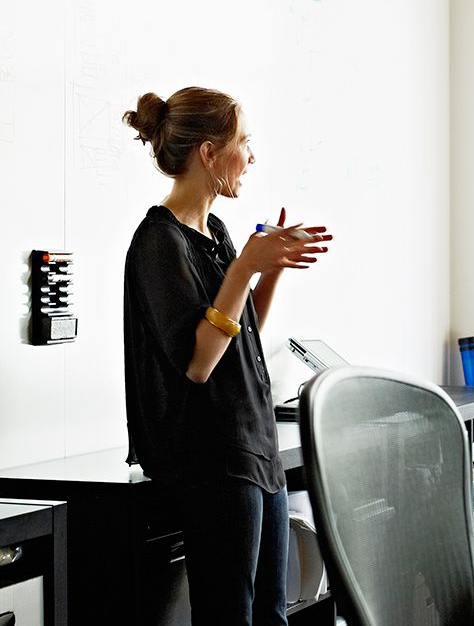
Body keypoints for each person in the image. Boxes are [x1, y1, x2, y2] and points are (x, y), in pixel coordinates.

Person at [122, 87, 332, 626]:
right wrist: (243, 269)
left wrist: (272, 266)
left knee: (273, 613)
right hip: (211, 460)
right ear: (209, 153)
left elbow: (242, 329)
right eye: (244, 142)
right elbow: (198, 361)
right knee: (229, 615)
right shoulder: (158, 242)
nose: (252, 157)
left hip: (253, 447)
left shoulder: (214, 231)